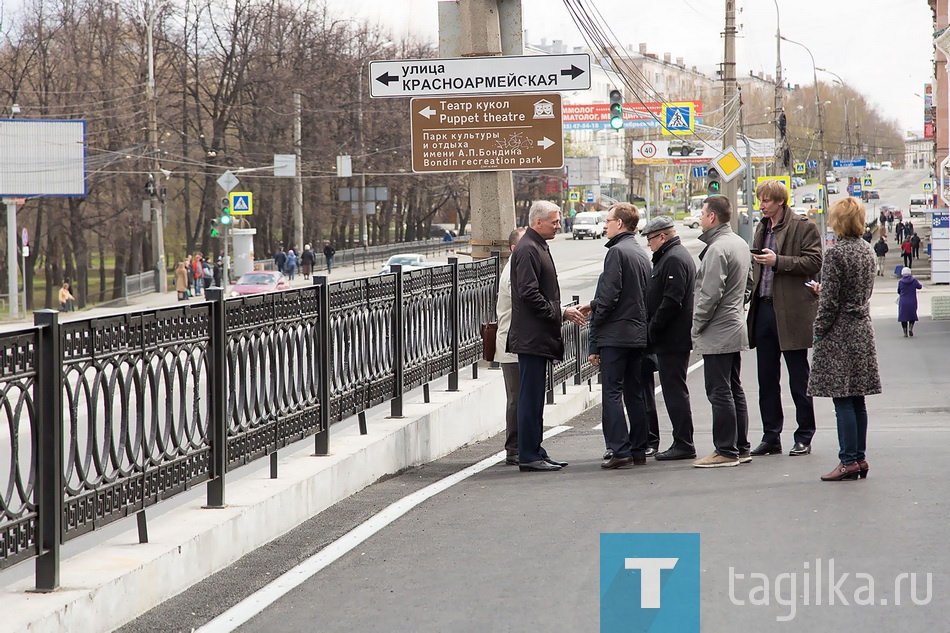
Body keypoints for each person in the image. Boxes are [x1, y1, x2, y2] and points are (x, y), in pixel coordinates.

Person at [508, 200, 586, 472]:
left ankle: (535, 449)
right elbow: (529, 294)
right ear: (537, 222)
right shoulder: (528, 248)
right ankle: (528, 455)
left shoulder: (536, 245)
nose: (558, 225)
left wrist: (557, 311)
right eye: (554, 221)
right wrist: (560, 312)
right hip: (531, 337)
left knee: (535, 397)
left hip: (537, 335)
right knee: (530, 398)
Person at [807, 196, 881, 481]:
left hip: (840, 332)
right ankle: (859, 458)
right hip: (862, 329)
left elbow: (829, 304)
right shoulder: (867, 250)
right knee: (857, 398)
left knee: (843, 400)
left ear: (839, 221)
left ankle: (847, 460)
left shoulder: (837, 253)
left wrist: (819, 331)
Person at [748, 180, 822, 458]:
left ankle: (804, 435)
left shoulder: (803, 226)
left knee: (798, 377)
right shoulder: (761, 227)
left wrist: (778, 261)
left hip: (791, 310)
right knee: (766, 378)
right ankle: (771, 436)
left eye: (766, 200)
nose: (762, 205)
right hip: (764, 308)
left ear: (780, 201)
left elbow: (814, 262)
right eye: (760, 200)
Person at [578, 203, 652, 470]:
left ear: (620, 223)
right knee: (635, 393)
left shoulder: (616, 253)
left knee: (612, 392)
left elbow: (609, 297)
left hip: (616, 335)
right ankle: (638, 449)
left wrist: (594, 308)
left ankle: (619, 450)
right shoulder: (640, 252)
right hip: (636, 334)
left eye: (608, 221)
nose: (605, 225)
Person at [691, 195, 752, 468]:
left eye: (703, 213)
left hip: (717, 329)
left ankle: (725, 451)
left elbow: (709, 294)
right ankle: (741, 447)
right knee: (733, 388)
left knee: (719, 391)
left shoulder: (717, 249)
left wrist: (697, 325)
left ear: (712, 217)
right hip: (734, 324)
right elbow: (749, 285)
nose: (701, 218)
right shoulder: (739, 243)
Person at [641, 215, 697, 461]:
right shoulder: (672, 255)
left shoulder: (673, 258)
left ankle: (683, 443)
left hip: (672, 339)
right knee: (675, 389)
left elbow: (671, 301)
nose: (649, 244)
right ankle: (682, 440)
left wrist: (652, 328)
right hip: (672, 338)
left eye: (650, 239)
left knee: (674, 391)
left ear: (662, 236)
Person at [494, 227, 526, 465]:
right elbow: (526, 303)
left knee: (522, 397)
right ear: (515, 248)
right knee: (516, 398)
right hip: (512, 344)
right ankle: (513, 449)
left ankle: (521, 446)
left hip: (518, 342)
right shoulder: (513, 270)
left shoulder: (518, 266)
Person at [897, 267, 922, 337]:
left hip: (903, 301)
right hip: (912, 300)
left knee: (903, 316)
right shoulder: (914, 280)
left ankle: (905, 332)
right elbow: (919, 287)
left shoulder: (900, 282)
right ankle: (910, 328)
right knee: (912, 315)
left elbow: (898, 291)